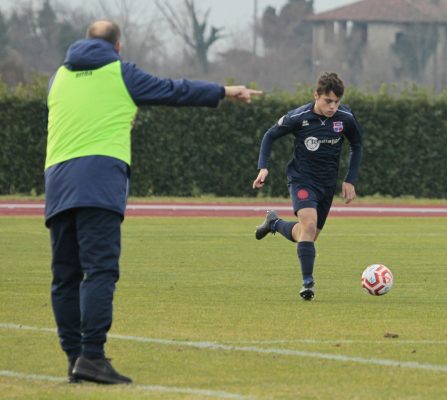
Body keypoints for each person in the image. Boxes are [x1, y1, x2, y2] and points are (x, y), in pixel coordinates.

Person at [45, 20, 261, 385]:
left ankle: (74, 359)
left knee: (65, 277)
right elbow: (173, 90)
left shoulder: (58, 77)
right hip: (98, 182)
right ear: (118, 46)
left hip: (58, 183)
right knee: (100, 271)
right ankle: (93, 356)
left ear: (84, 42)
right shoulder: (120, 71)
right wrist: (223, 91)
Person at [252, 72, 363, 301]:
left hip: (326, 186)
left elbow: (357, 145)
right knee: (309, 225)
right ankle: (307, 283)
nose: (333, 106)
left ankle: (274, 223)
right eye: (328, 101)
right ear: (316, 96)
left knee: (307, 234)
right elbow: (269, 135)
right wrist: (263, 167)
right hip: (302, 180)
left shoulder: (346, 118)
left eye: (337, 102)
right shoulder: (299, 117)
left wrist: (350, 179)